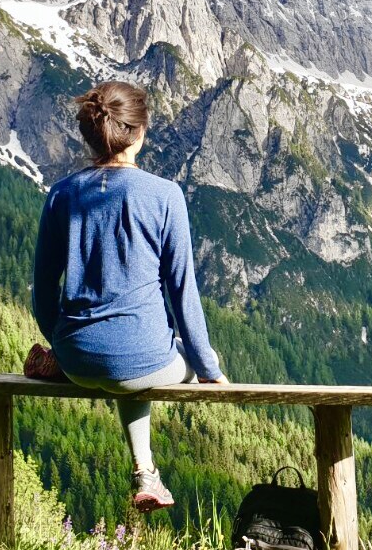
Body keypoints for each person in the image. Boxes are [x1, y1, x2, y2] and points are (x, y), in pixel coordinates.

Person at [31, 81, 226, 513]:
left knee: (127, 353)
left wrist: (61, 345)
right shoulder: (165, 195)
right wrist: (210, 370)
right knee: (157, 355)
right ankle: (144, 472)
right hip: (141, 359)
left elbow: (43, 289)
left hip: (76, 357)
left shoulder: (62, 194)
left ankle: (146, 472)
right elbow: (182, 291)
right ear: (139, 133)